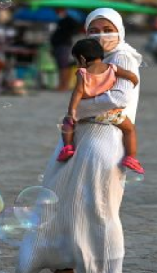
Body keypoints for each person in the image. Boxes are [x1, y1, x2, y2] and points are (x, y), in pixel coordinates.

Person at [18, 8, 142, 273]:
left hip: (105, 138)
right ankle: (64, 270)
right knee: (61, 203)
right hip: (83, 137)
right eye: (94, 30)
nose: (101, 35)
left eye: (107, 28)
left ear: (120, 30)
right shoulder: (93, 59)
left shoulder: (122, 56)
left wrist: (75, 111)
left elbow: (119, 98)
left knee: (98, 208)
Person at [58, 38, 144, 174]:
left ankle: (68, 147)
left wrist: (71, 112)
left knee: (66, 123)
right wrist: (134, 79)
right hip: (111, 113)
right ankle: (131, 157)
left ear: (82, 58)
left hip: (86, 112)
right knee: (129, 129)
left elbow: (78, 92)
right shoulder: (112, 67)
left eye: (76, 61)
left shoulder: (82, 73)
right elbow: (130, 75)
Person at [50, 8, 83, 91]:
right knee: (62, 65)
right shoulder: (61, 20)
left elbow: (76, 29)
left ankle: (64, 85)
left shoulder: (68, 20)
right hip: (60, 45)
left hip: (64, 45)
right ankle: (63, 84)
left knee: (64, 66)